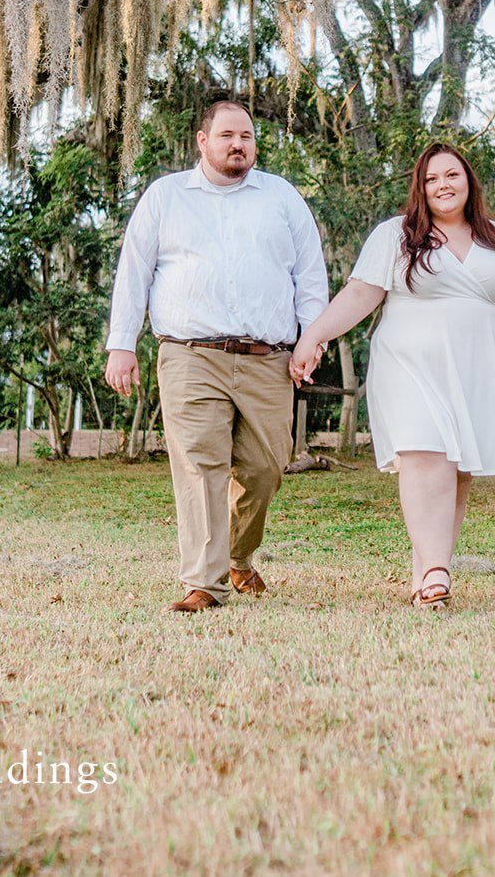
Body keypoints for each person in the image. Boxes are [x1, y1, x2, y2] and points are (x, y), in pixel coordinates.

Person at [289, 143, 495, 610]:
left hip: (476, 368)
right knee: (426, 455)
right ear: (419, 188)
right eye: (430, 179)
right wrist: (314, 337)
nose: (442, 186)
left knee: (458, 471)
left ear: (469, 181)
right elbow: (361, 294)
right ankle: (436, 572)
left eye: (451, 175)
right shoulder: (397, 235)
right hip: (409, 364)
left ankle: (426, 570)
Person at [104, 99, 329, 613]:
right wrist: (122, 344)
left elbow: (310, 277)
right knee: (201, 464)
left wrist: (311, 340)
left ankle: (237, 556)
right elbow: (133, 273)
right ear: (202, 141)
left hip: (267, 357)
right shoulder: (166, 197)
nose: (238, 144)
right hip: (190, 354)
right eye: (227, 135)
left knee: (265, 467)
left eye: (246, 136)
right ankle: (203, 584)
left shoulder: (282, 198)